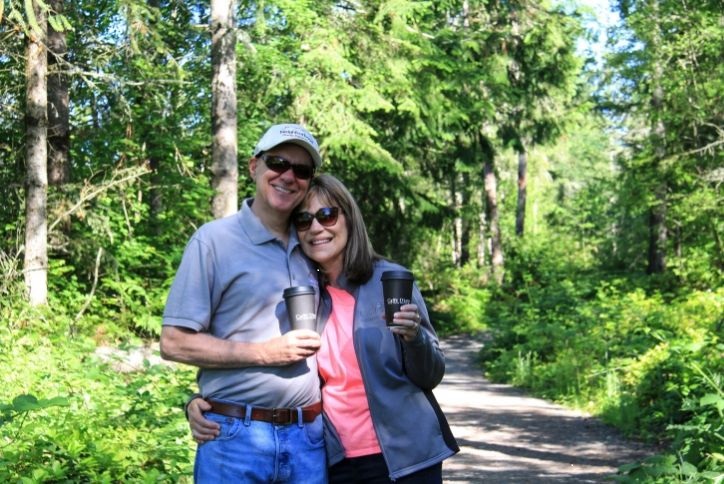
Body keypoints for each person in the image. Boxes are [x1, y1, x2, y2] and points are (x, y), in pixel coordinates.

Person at [188, 174, 459, 483]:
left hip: (405, 458)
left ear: (349, 218)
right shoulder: (304, 293)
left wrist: (415, 338)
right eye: (303, 221)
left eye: (327, 215)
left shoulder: (390, 280)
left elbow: (431, 374)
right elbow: (270, 365)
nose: (316, 228)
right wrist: (204, 401)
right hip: (334, 459)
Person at [160, 124, 328, 483]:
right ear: (254, 167)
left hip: (309, 438)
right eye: (278, 162)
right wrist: (264, 353)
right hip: (234, 438)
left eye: (301, 170)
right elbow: (174, 342)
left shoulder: (315, 246)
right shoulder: (214, 241)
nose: (288, 176)